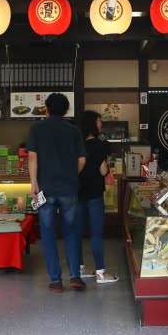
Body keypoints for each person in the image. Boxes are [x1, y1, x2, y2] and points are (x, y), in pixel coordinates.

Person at [26, 93, 87, 293]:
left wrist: (34, 183)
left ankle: (55, 280)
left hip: (46, 188)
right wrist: (71, 175)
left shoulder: (37, 129)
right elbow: (82, 160)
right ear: (66, 110)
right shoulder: (74, 131)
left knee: (49, 233)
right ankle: (75, 276)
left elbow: (33, 159)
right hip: (69, 188)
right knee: (71, 232)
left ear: (47, 108)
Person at [77, 111, 119, 284]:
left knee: (77, 233)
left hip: (77, 194)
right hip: (94, 195)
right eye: (99, 121)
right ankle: (101, 273)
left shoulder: (75, 144)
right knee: (96, 234)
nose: (101, 125)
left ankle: (80, 269)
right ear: (93, 124)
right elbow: (103, 170)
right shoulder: (102, 145)